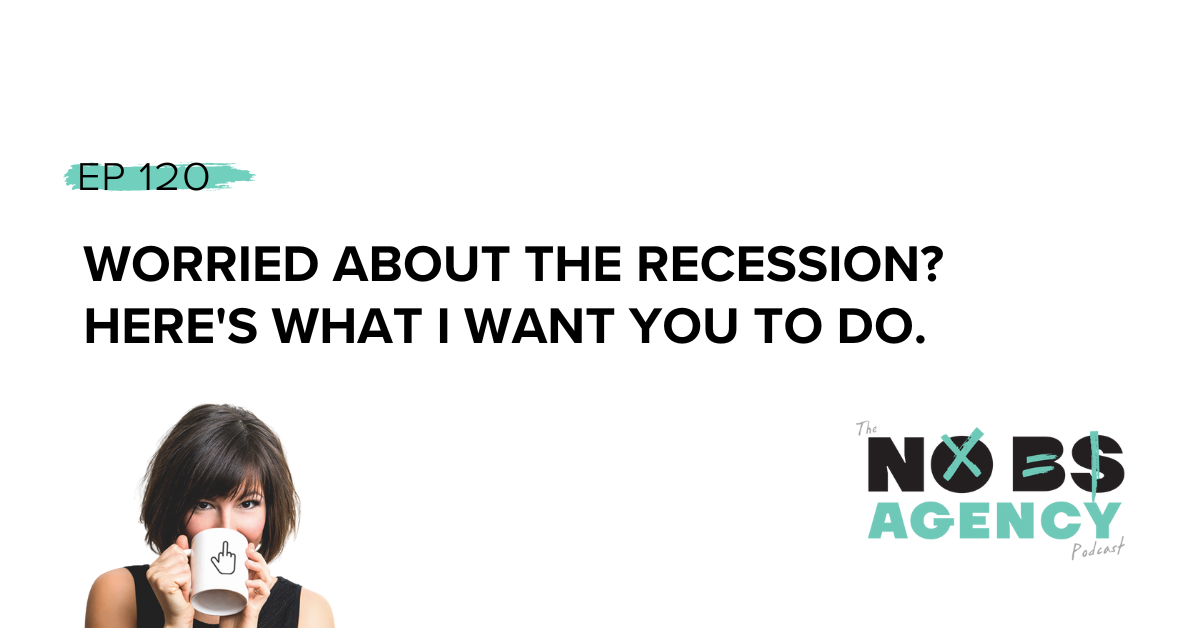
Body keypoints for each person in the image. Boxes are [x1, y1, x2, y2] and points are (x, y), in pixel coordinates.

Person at [85, 405, 335, 628]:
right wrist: (176, 624)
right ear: (174, 508)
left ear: (270, 512)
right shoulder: (119, 593)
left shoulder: (307, 612)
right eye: (204, 504)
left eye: (247, 503)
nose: (226, 528)